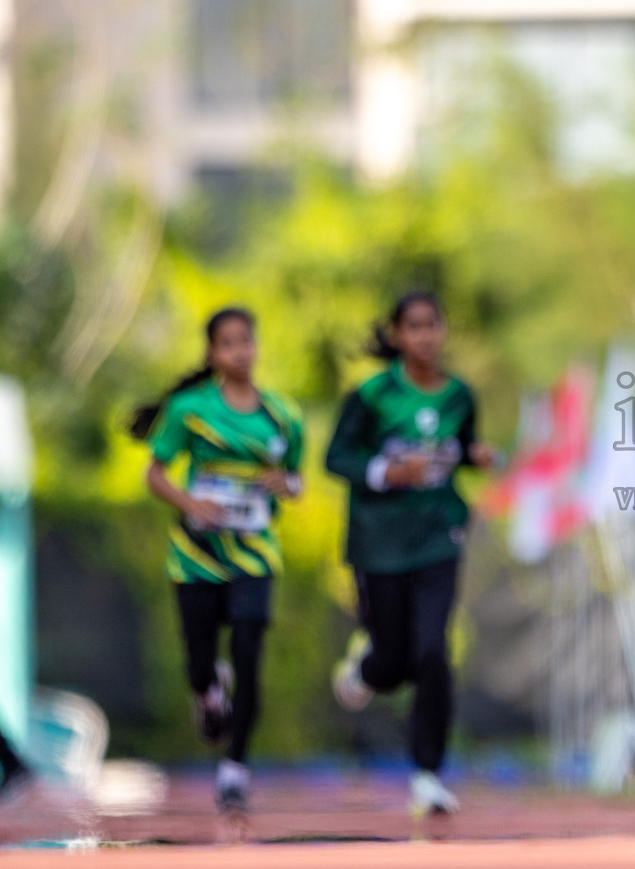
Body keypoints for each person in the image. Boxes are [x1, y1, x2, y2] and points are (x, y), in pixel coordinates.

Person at [326, 292, 498, 820]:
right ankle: (366, 667)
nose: (424, 336)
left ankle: (428, 775)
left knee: (431, 651)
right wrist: (385, 471)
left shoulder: (460, 396)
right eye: (413, 327)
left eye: (432, 325)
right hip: (380, 541)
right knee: (393, 662)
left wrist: (475, 456)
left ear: (443, 331)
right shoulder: (372, 396)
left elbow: (460, 447)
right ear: (398, 335)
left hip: (438, 535)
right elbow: (336, 457)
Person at [132, 307, 304, 816]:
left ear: (256, 346)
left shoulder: (282, 416)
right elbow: (155, 474)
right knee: (199, 665)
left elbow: (295, 481)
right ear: (212, 353)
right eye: (227, 344)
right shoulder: (190, 410)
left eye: (246, 341)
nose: (239, 352)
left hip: (254, 554)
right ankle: (209, 690)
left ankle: (235, 767)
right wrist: (192, 504)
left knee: (250, 651)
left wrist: (285, 484)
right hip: (196, 557)